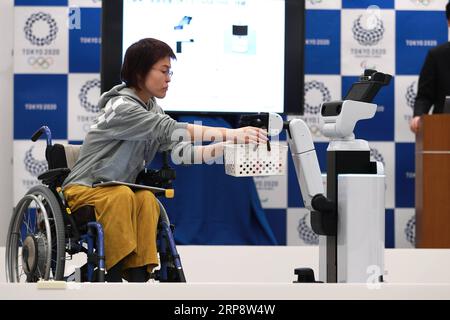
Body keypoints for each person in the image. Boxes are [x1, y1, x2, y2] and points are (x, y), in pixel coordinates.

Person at [62, 38, 267, 282]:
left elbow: (183, 152)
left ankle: (138, 270)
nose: (169, 78)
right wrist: (231, 132)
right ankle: (108, 269)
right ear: (140, 72)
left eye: (170, 72)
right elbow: (169, 128)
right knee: (123, 195)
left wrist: (226, 145)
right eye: (163, 71)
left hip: (116, 192)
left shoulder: (152, 109)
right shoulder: (122, 107)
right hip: (84, 190)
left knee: (146, 199)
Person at [410, 2, 450, 134]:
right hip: (444, 131)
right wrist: (418, 115)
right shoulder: (437, 55)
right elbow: (424, 96)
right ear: (449, 22)